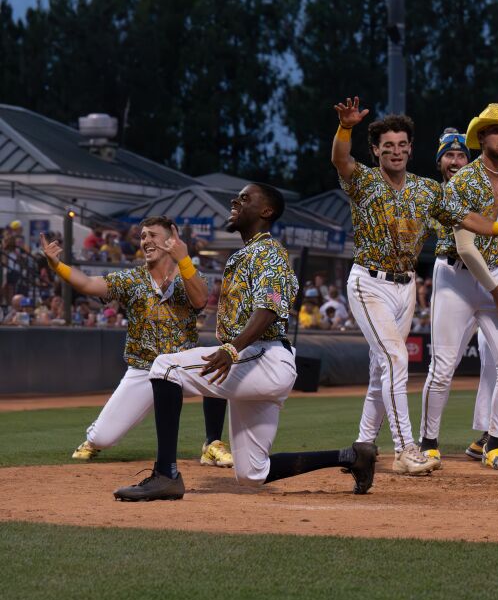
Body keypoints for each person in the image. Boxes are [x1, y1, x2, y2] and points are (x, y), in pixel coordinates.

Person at [113, 184, 378, 501]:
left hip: (263, 357)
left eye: (245, 198)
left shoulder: (270, 253)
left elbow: (269, 308)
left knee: (164, 367)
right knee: (252, 473)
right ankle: (353, 457)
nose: (234, 201)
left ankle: (165, 474)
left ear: (266, 212)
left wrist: (230, 347)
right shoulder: (247, 253)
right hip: (255, 362)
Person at [333, 100, 498, 476]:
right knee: (397, 360)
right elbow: (341, 160)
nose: (395, 150)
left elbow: (466, 219)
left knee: (384, 368)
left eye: (402, 144)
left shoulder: (427, 190)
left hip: (406, 286)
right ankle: (406, 448)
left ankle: (363, 446)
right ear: (375, 150)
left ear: (411, 148)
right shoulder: (364, 180)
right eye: (387, 145)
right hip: (369, 281)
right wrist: (345, 128)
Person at [41, 218, 233, 468]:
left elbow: (199, 300)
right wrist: (57, 265)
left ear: (170, 241)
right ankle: (93, 441)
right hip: (144, 368)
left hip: (180, 366)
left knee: (217, 360)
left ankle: (212, 443)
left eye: (152, 235)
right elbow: (89, 284)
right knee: (102, 437)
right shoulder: (131, 279)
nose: (145, 241)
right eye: (143, 236)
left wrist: (184, 259)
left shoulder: (189, 275)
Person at [419, 104, 498, 471]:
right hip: (457, 279)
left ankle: (493, 444)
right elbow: (464, 246)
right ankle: (429, 443)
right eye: (496, 130)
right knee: (443, 367)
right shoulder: (463, 182)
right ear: (482, 138)